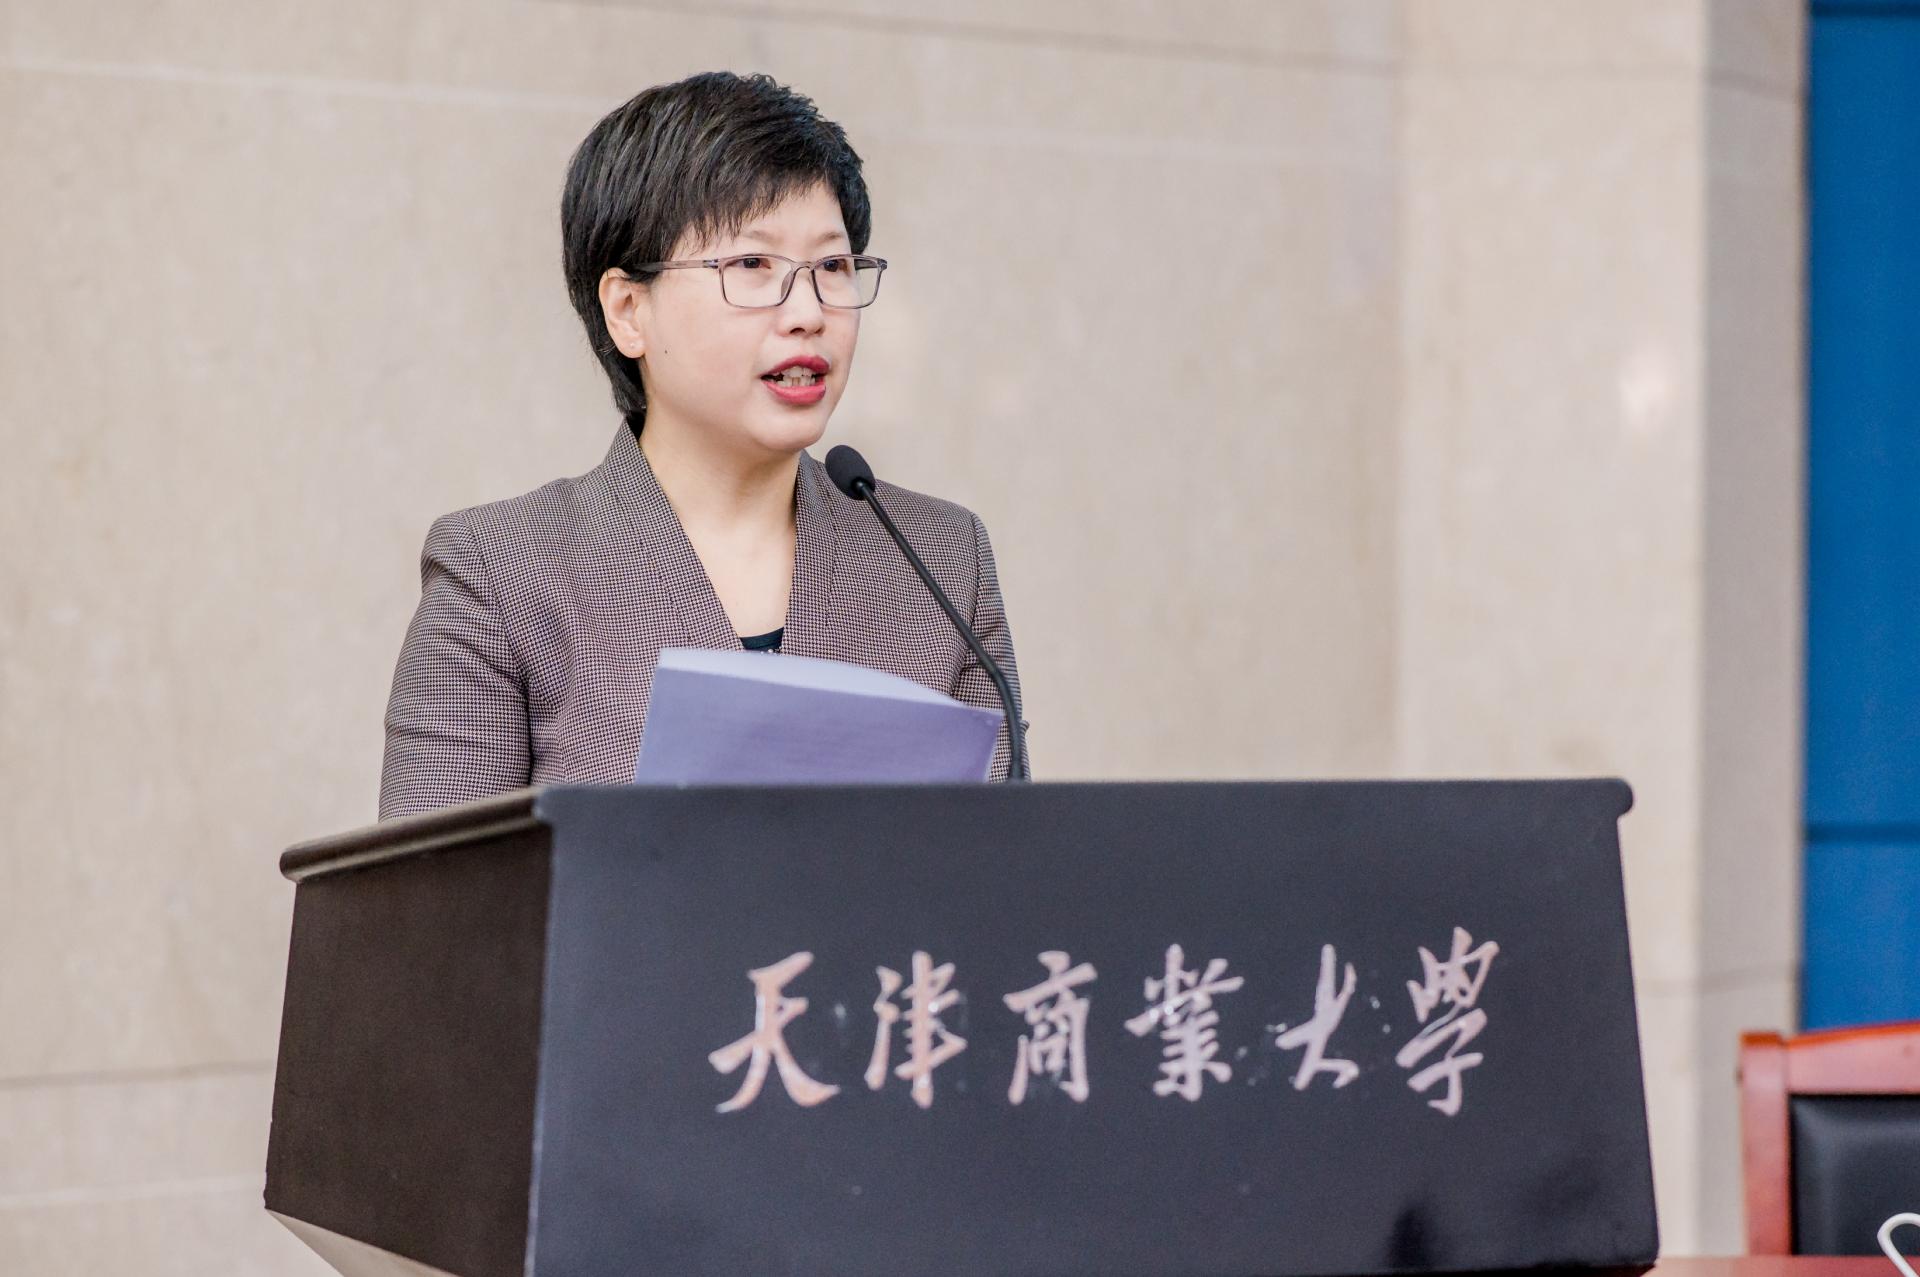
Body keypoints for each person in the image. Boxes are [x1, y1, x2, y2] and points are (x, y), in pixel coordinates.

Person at [377, 71, 1026, 819]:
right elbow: (433, 888)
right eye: (752, 265)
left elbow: (1003, 867)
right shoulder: (500, 573)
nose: (809, 312)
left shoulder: (940, 560)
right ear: (628, 310)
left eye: (832, 266)